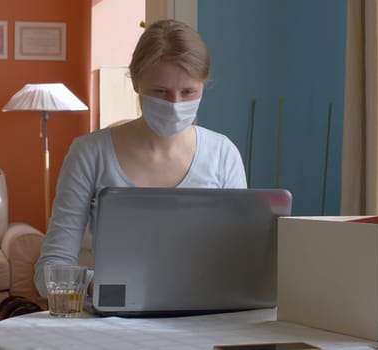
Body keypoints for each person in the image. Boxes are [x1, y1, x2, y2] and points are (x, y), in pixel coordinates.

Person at [34, 19, 247, 296]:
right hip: (116, 318)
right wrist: (96, 286)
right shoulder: (90, 153)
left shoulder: (222, 154)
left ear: (203, 87)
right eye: (161, 92)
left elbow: (242, 261)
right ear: (136, 82)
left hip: (203, 318)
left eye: (188, 92)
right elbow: (49, 271)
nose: (175, 105)